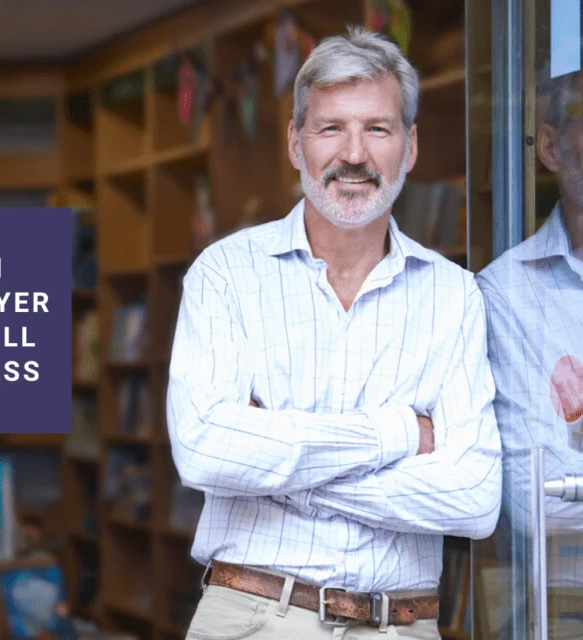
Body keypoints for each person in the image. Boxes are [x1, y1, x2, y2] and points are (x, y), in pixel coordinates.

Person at [166, 26, 502, 639]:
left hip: (401, 625)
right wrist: (400, 433)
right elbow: (204, 450)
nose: (354, 154)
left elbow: (474, 497)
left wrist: (280, 471)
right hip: (253, 616)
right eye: (330, 128)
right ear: (296, 144)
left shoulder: (455, 296)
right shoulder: (225, 275)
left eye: (377, 129)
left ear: (410, 146)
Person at [475, 61, 583, 640]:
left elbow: (567, 478)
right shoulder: (507, 292)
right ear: (550, 148)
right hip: (571, 611)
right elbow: (534, 496)